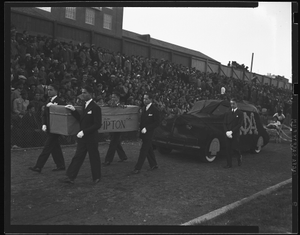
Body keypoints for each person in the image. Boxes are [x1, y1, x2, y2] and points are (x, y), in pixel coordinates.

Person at [62, 85, 102, 184]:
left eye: (85, 93)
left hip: (91, 137)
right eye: (82, 92)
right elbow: (82, 119)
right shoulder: (84, 106)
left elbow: (97, 124)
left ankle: (96, 177)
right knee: (78, 156)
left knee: (94, 157)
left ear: (91, 94)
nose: (82, 95)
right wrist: (73, 110)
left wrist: (84, 131)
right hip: (83, 137)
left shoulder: (95, 108)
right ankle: (70, 177)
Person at [28, 84, 66, 173]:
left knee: (47, 147)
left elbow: (63, 114)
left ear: (56, 91)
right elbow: (44, 114)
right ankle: (61, 165)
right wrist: (44, 124)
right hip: (49, 127)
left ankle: (38, 166)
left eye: (51, 90)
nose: (48, 91)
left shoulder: (60, 102)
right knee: (55, 147)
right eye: (48, 90)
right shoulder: (48, 101)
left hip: (56, 128)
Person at [132, 93, 160, 174]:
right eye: (144, 99)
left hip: (149, 133)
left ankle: (138, 167)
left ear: (151, 99)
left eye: (146, 99)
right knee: (148, 149)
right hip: (143, 133)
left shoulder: (155, 110)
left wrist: (147, 128)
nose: (144, 100)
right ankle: (153, 164)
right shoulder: (144, 108)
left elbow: (157, 122)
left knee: (144, 150)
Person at [103, 92, 128, 166]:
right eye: (112, 97)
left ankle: (108, 160)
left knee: (113, 142)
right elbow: (108, 105)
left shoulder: (122, 105)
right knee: (116, 142)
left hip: (118, 125)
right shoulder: (110, 103)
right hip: (111, 125)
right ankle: (123, 156)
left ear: (118, 98)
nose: (112, 98)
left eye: (114, 97)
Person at [223, 98, 243, 168]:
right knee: (228, 149)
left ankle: (239, 157)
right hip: (228, 133)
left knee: (235, 148)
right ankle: (229, 164)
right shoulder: (228, 113)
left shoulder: (240, 113)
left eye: (233, 103)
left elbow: (239, 124)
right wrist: (226, 131)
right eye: (231, 103)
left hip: (235, 133)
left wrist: (232, 131)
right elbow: (224, 123)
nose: (232, 105)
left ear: (236, 104)